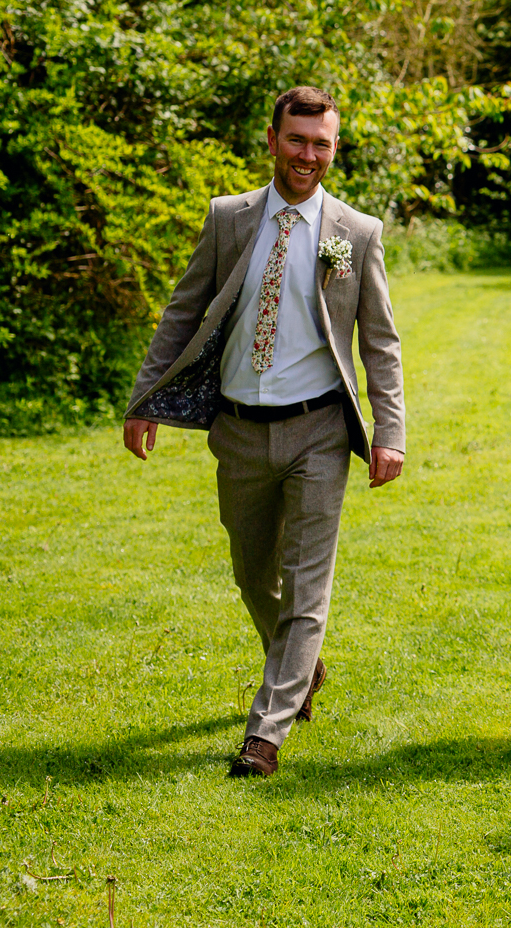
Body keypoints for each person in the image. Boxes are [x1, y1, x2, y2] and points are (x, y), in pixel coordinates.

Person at [123, 85, 406, 779]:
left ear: (334, 149)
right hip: (240, 430)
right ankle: (301, 669)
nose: (308, 155)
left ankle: (266, 731)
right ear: (273, 140)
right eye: (297, 140)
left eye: (322, 144)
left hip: (317, 430)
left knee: (307, 584)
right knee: (254, 572)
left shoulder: (357, 233)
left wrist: (390, 431)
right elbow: (182, 314)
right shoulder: (229, 220)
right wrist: (144, 400)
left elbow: (382, 344)